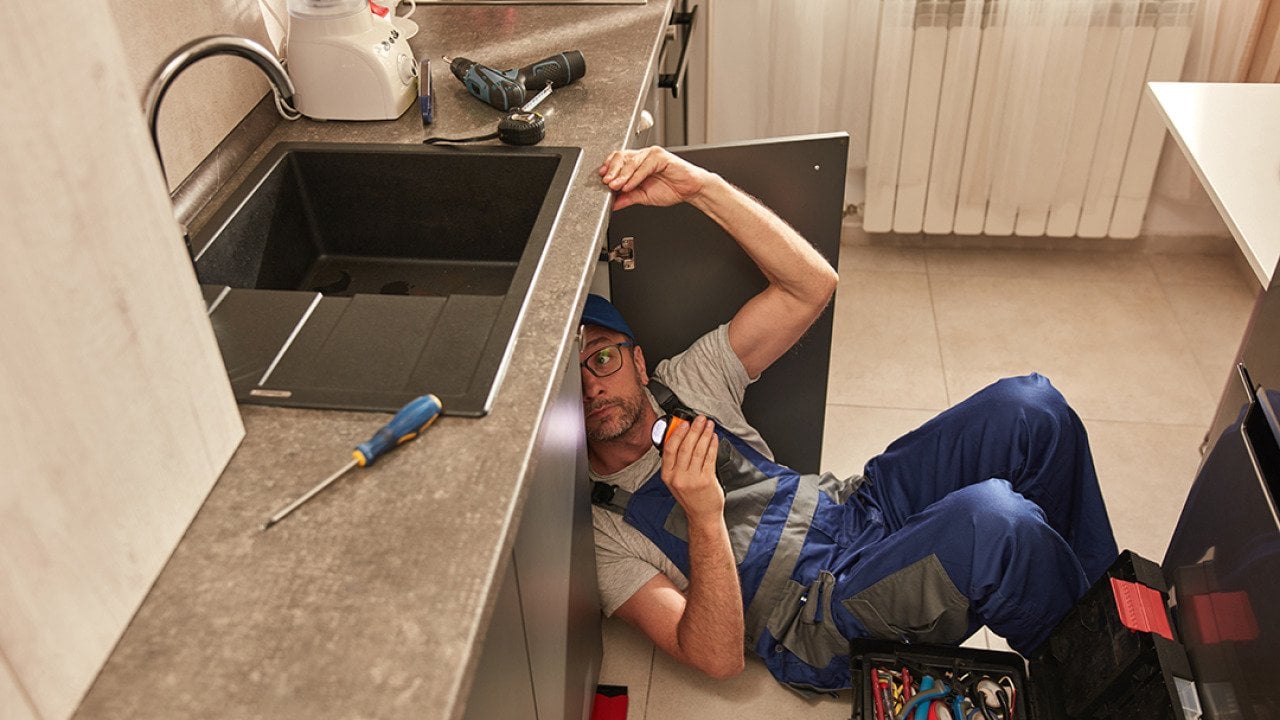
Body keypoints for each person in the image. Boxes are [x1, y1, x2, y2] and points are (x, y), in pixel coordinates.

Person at [582, 146, 1118, 692]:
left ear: (638, 360)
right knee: (996, 523)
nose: (592, 385)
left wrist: (700, 187)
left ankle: (1110, 622)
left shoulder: (686, 383)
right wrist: (703, 516)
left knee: (1030, 408)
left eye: (602, 356)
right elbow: (716, 658)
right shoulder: (601, 528)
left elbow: (810, 286)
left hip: (853, 507)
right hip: (817, 616)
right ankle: (1103, 687)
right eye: (570, 376)